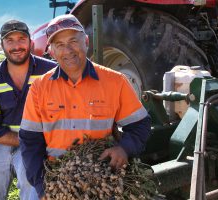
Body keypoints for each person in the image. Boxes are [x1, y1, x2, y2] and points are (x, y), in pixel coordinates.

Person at [19, 14, 151, 199]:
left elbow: (140, 124)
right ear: (52, 52)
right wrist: (43, 187)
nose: (68, 50)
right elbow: (30, 141)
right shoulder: (40, 88)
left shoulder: (115, 81)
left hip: (102, 178)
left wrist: (124, 148)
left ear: (86, 41)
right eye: (60, 45)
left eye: (73, 40)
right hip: (56, 179)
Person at [0, 19, 56, 200]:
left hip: (36, 142)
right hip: (1, 142)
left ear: (31, 42)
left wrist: (35, 142)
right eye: (10, 40)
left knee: (31, 183)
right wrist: (23, 140)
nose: (16, 46)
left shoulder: (51, 72)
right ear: (2, 45)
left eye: (21, 38)